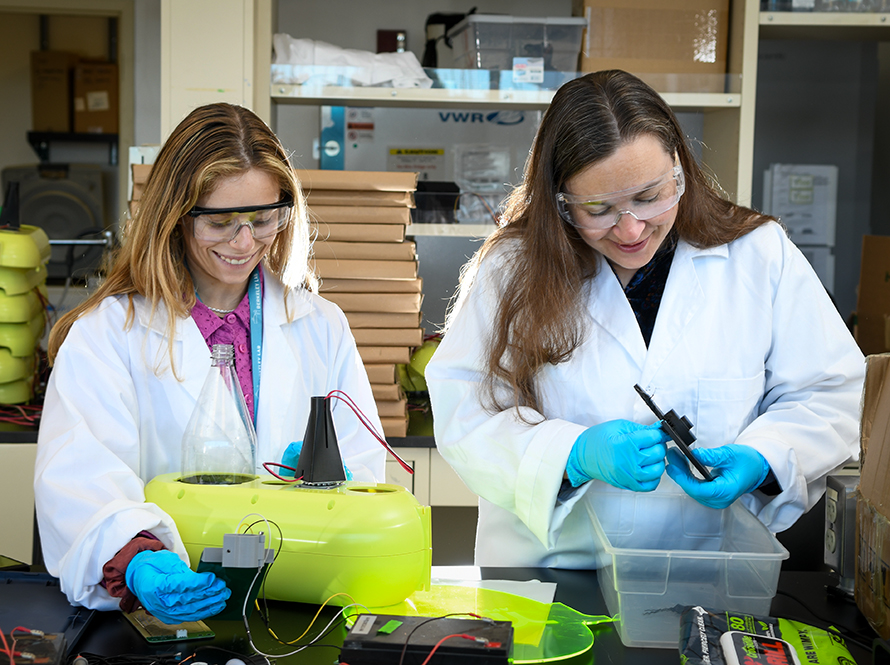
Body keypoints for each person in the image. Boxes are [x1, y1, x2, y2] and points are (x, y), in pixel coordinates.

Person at [425, 70, 864, 568]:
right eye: (599, 208)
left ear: (678, 169)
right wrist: (571, 454)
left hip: (710, 572)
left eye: (649, 196)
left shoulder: (757, 254)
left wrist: (765, 457)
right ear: (560, 202)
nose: (631, 229)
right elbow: (466, 413)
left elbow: (831, 392)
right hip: (554, 574)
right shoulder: (512, 268)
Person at [34, 103, 386, 620]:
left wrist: (327, 485)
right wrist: (139, 560)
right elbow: (81, 476)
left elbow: (366, 469)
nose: (244, 243)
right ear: (174, 215)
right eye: (220, 222)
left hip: (296, 603)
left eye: (263, 219)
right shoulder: (110, 333)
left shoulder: (320, 325)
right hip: (162, 609)